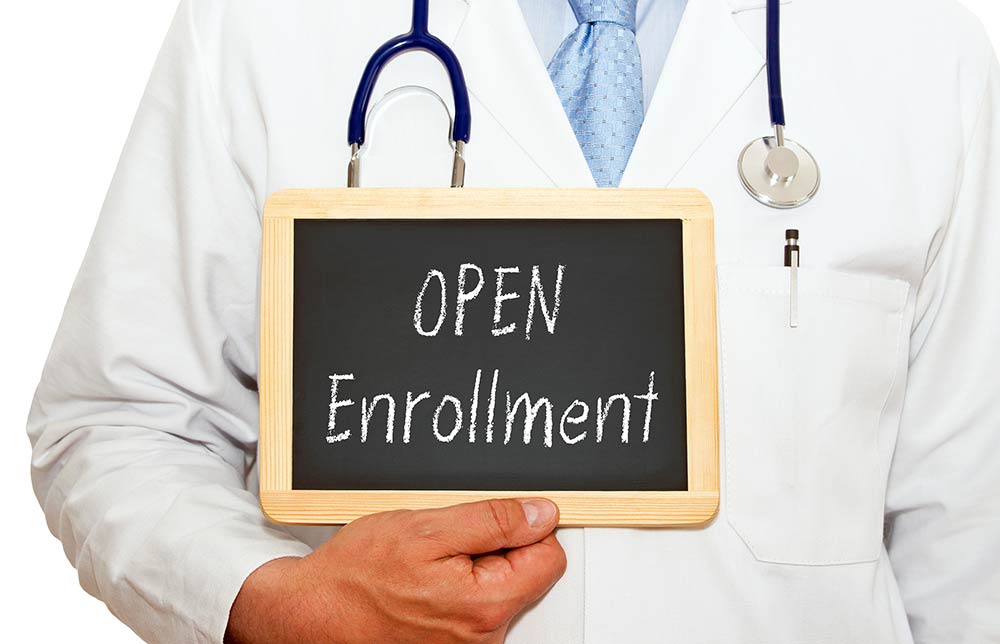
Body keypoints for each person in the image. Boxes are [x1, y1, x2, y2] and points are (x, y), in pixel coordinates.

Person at [27, 0, 1000, 642]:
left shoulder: (922, 47)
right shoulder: (268, 26)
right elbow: (115, 422)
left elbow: (969, 530)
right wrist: (268, 599)